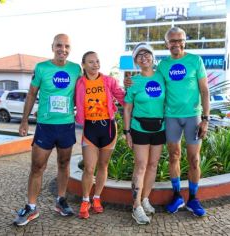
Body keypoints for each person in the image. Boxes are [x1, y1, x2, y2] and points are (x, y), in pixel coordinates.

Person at [124, 27, 210, 217]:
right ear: (166, 44)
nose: (176, 44)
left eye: (180, 40)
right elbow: (146, 80)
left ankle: (194, 198)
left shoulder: (195, 60)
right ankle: (177, 195)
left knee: (194, 159)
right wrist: (129, 82)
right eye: (172, 41)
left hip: (192, 116)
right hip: (170, 118)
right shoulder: (162, 66)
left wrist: (205, 118)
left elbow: (204, 90)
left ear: (185, 41)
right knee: (173, 156)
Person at [13, 33, 82, 226]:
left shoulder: (76, 69)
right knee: (37, 166)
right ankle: (31, 207)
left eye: (67, 46)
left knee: (64, 163)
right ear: (52, 47)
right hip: (45, 126)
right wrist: (24, 121)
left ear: (70, 49)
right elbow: (32, 93)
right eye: (59, 45)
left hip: (67, 125)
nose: (63, 49)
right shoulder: (42, 68)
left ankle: (61, 200)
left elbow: (85, 90)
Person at [75, 51, 125, 219]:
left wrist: (134, 92)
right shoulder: (80, 83)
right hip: (90, 128)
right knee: (89, 168)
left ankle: (96, 198)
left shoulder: (109, 81)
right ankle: (85, 200)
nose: (95, 64)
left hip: (109, 128)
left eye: (97, 61)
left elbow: (124, 98)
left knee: (103, 166)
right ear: (83, 65)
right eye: (91, 62)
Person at [123, 43, 166, 225]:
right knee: (141, 165)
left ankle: (145, 199)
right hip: (139, 128)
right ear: (135, 61)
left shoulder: (162, 77)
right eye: (139, 55)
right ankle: (136, 206)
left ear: (153, 57)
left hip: (159, 128)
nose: (144, 57)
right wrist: (127, 132)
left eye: (147, 53)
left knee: (153, 165)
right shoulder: (133, 81)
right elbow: (126, 109)